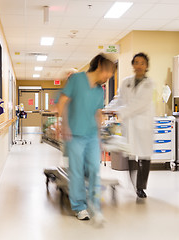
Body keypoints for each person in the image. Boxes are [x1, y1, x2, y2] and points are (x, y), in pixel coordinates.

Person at [57, 54, 115, 222]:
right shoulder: (76, 79)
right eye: (108, 73)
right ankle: (79, 207)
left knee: (95, 171)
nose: (109, 77)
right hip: (74, 134)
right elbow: (63, 101)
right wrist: (64, 125)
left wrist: (99, 136)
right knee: (76, 172)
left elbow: (98, 113)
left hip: (91, 136)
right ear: (100, 67)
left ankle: (95, 205)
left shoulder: (99, 90)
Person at [117, 52, 154, 199]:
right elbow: (119, 99)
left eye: (142, 63)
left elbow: (140, 103)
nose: (139, 65)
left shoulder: (150, 84)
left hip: (143, 123)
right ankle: (134, 184)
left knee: (144, 156)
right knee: (130, 155)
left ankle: (141, 187)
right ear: (132, 65)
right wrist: (108, 109)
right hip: (130, 124)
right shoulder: (126, 82)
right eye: (136, 62)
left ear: (146, 66)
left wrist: (122, 111)